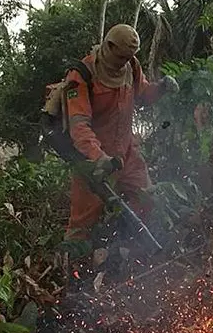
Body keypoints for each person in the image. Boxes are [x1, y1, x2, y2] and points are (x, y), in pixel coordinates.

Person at [61, 23, 178, 259]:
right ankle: (72, 269)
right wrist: (99, 158)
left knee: (146, 197)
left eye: (129, 57)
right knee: (82, 222)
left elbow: (142, 93)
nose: (124, 62)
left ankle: (123, 251)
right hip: (93, 160)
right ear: (109, 46)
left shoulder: (131, 67)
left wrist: (161, 88)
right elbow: (79, 126)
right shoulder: (81, 75)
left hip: (126, 153)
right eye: (121, 57)